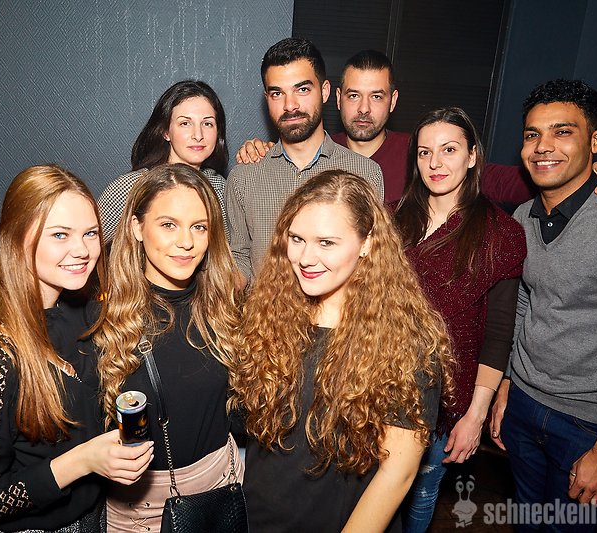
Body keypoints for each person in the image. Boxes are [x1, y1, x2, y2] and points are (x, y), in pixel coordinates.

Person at [231, 170, 453, 532]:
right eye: (297, 239)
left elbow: (397, 473)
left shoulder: (405, 342)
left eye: (326, 242)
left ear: (367, 243)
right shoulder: (269, 318)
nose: (306, 257)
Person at [0, 164, 153, 532]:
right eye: (60, 234)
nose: (82, 250)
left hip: (92, 519)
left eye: (90, 233)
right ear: (18, 238)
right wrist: (82, 461)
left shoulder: (82, 312)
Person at [490, 79, 597, 532]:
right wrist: (506, 384)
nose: (543, 146)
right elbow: (523, 306)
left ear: (596, 141)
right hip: (523, 406)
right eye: (532, 134)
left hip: (588, 426)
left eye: (562, 131)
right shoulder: (522, 218)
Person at [236, 49, 597, 208]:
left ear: (393, 101)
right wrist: (262, 150)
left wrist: (593, 173)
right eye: (355, 96)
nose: (363, 109)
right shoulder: (316, 154)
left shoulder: (424, 154)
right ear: (337, 97)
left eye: (376, 96)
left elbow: (519, 180)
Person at [391, 108, 527, 532]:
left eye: (449, 150)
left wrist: (475, 416)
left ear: (472, 156)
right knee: (365, 491)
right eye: (424, 152)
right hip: (377, 386)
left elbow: (499, 334)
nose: (435, 163)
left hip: (446, 399)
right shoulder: (390, 220)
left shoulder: (500, 233)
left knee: (421, 494)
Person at [94, 163, 244, 532]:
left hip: (223, 490)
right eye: (168, 225)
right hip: (141, 511)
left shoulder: (223, 308)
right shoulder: (103, 321)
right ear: (136, 227)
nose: (186, 242)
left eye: (199, 227)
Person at [225, 37, 384, 283]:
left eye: (302, 89)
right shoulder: (244, 177)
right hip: (263, 307)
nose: (290, 105)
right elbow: (239, 257)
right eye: (277, 93)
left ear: (325, 91)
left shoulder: (364, 173)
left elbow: (371, 262)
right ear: (267, 99)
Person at [98, 80, 230, 243]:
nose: (198, 135)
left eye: (207, 124)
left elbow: (228, 252)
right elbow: (88, 241)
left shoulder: (219, 187)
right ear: (165, 131)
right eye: (185, 123)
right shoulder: (131, 187)